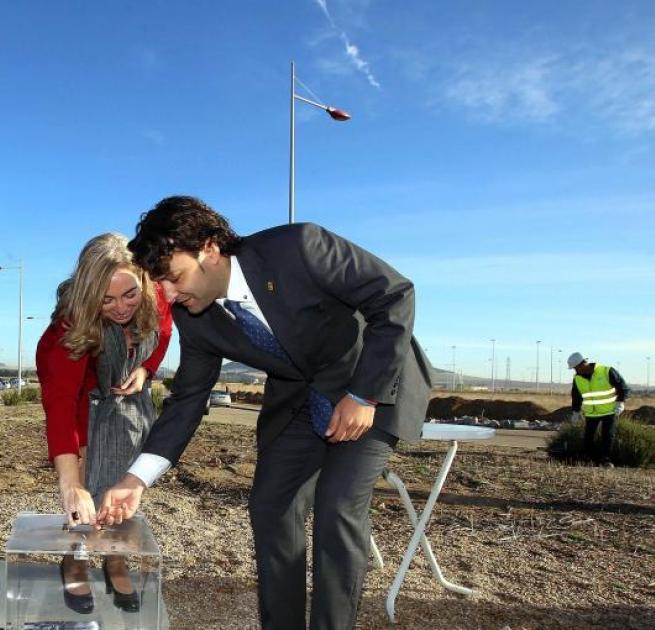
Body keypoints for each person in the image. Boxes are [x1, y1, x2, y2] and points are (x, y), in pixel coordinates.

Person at [97, 196, 433, 630]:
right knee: (271, 506)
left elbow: (394, 294)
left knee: (337, 506)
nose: (168, 295)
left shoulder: (299, 247)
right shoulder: (195, 317)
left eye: (174, 278)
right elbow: (188, 399)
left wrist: (364, 395)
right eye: (160, 283)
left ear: (210, 248)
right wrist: (134, 479)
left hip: (371, 385)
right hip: (299, 398)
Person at [35, 233, 173, 614]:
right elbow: (61, 402)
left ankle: (115, 557)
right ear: (89, 295)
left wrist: (147, 369)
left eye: (130, 295)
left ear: (142, 282)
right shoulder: (71, 323)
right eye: (106, 300)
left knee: (121, 485)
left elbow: (163, 334)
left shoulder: (157, 295)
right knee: (85, 487)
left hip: (129, 409)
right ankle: (75, 557)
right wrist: (71, 479)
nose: (121, 308)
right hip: (84, 399)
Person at [567, 352, 629, 467]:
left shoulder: (606, 371)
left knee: (607, 436)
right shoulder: (577, 379)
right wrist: (575, 411)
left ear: (583, 364)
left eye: (575, 368)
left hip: (609, 412)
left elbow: (623, 387)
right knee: (588, 438)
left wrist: (620, 402)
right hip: (591, 414)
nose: (575, 371)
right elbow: (576, 396)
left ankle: (606, 460)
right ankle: (588, 459)